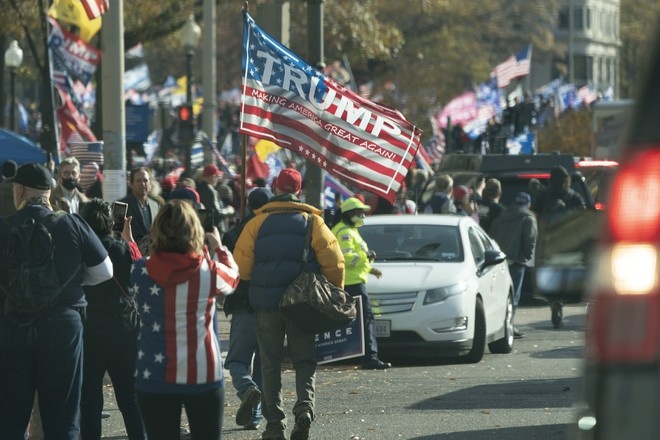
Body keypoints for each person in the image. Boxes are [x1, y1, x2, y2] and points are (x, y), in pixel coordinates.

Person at [0, 163, 113, 439]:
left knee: (10, 419)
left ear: (19, 190)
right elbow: (106, 271)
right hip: (63, 326)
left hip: (13, 326)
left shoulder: (4, 227)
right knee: (62, 419)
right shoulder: (71, 223)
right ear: (50, 191)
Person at [233, 168, 345, 440]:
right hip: (301, 305)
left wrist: (253, 281)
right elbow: (335, 262)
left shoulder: (256, 224)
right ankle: (304, 409)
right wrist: (333, 290)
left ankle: (274, 426)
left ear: (274, 187)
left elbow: (241, 265)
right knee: (304, 361)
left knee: (270, 366)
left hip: (266, 305)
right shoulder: (312, 222)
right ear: (299, 189)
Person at [131, 199, 239, 440]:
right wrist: (219, 248)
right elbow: (233, 279)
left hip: (154, 374)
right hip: (203, 373)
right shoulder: (208, 272)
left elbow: (149, 263)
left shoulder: (140, 271)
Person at [78, 198, 146, 440]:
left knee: (89, 404)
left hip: (89, 330)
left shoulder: (80, 252)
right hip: (123, 330)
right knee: (130, 400)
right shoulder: (121, 248)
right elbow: (142, 273)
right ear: (111, 222)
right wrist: (129, 239)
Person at [223, 188, 273, 431]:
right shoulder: (274, 234)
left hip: (243, 306)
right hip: (269, 307)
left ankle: (246, 388)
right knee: (264, 364)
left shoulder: (233, 235)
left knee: (236, 360)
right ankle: (254, 416)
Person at [331, 197, 391, 370]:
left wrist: (370, 268)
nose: (362, 215)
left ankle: (365, 356)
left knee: (359, 321)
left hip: (354, 281)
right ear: (348, 213)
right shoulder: (345, 232)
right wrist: (367, 256)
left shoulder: (350, 230)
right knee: (365, 320)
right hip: (352, 283)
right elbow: (347, 257)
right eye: (358, 212)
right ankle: (370, 358)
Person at [488, 192, 538, 339]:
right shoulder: (528, 218)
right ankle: (509, 327)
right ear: (528, 204)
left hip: (499, 261)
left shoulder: (501, 217)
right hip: (516, 262)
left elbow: (491, 236)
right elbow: (530, 239)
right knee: (514, 297)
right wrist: (526, 257)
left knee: (500, 295)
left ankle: (500, 326)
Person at [116, 167, 162, 251]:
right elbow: (116, 234)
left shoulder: (155, 205)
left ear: (150, 184)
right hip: (129, 254)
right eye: (138, 181)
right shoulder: (121, 205)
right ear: (131, 184)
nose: (142, 184)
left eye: (145, 180)